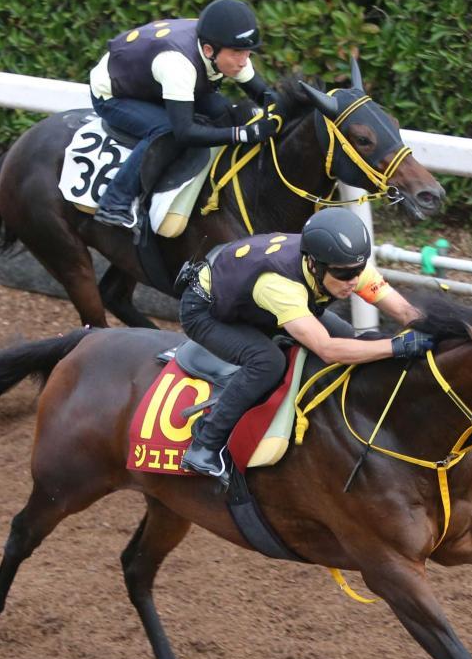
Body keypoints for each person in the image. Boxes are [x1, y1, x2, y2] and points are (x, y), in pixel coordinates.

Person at [178, 206, 434, 481]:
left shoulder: (345, 264)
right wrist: (396, 346)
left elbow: (405, 312)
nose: (354, 281)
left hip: (257, 301)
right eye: (344, 275)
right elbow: (328, 349)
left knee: (348, 336)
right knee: (267, 361)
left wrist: (442, 332)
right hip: (207, 312)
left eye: (359, 271)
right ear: (314, 264)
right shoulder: (280, 285)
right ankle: (205, 443)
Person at [88, 0, 280, 229]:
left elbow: (266, 96)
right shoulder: (178, 64)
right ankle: (114, 202)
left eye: (248, 53)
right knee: (166, 130)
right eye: (237, 53)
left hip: (157, 81)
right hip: (116, 94)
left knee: (223, 112)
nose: (243, 62)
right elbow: (184, 132)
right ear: (209, 50)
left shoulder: (224, 47)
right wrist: (244, 133)